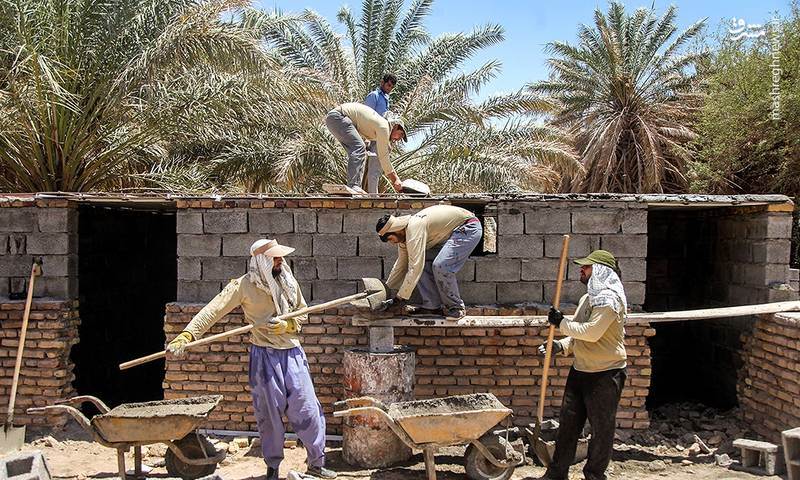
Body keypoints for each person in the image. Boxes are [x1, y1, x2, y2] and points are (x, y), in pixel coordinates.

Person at [167, 239, 336, 480]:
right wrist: (187, 334)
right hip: (264, 357)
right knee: (269, 416)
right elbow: (213, 310)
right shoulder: (243, 286)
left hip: (293, 354)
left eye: (280, 257)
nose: (280, 261)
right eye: (274, 258)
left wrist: (288, 323)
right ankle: (273, 468)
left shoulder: (287, 279)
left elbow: (302, 311)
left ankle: (317, 464)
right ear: (261, 261)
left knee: (308, 409)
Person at [537, 249, 627, 480]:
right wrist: (561, 346)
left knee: (601, 430)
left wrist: (561, 323)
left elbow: (592, 333)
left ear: (600, 271)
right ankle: (557, 474)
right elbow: (578, 333)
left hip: (606, 374)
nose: (582, 270)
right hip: (580, 371)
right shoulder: (588, 299)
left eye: (586, 267)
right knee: (568, 426)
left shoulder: (609, 301)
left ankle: (594, 475)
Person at [376, 204, 482, 320]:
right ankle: (432, 307)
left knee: (441, 266)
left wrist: (400, 298)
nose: (392, 243)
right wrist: (387, 289)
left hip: (467, 228)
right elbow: (401, 265)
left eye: (390, 239)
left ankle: (456, 308)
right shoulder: (404, 237)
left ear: (396, 231)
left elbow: (415, 266)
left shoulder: (414, 227)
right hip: (451, 235)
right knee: (423, 260)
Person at [325, 102, 406, 194]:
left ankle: (355, 185)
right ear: (396, 126)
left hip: (335, 119)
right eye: (401, 134)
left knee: (359, 150)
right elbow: (383, 157)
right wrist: (395, 179)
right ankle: (353, 185)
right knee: (359, 148)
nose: (400, 138)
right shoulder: (384, 127)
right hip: (339, 117)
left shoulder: (378, 127)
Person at [363, 73, 397, 193]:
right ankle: (372, 196)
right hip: (370, 136)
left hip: (379, 137)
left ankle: (372, 194)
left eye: (391, 87)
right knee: (371, 170)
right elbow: (365, 115)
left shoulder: (385, 99)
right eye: (388, 85)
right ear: (382, 82)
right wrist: (365, 139)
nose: (389, 89)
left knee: (376, 169)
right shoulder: (374, 96)